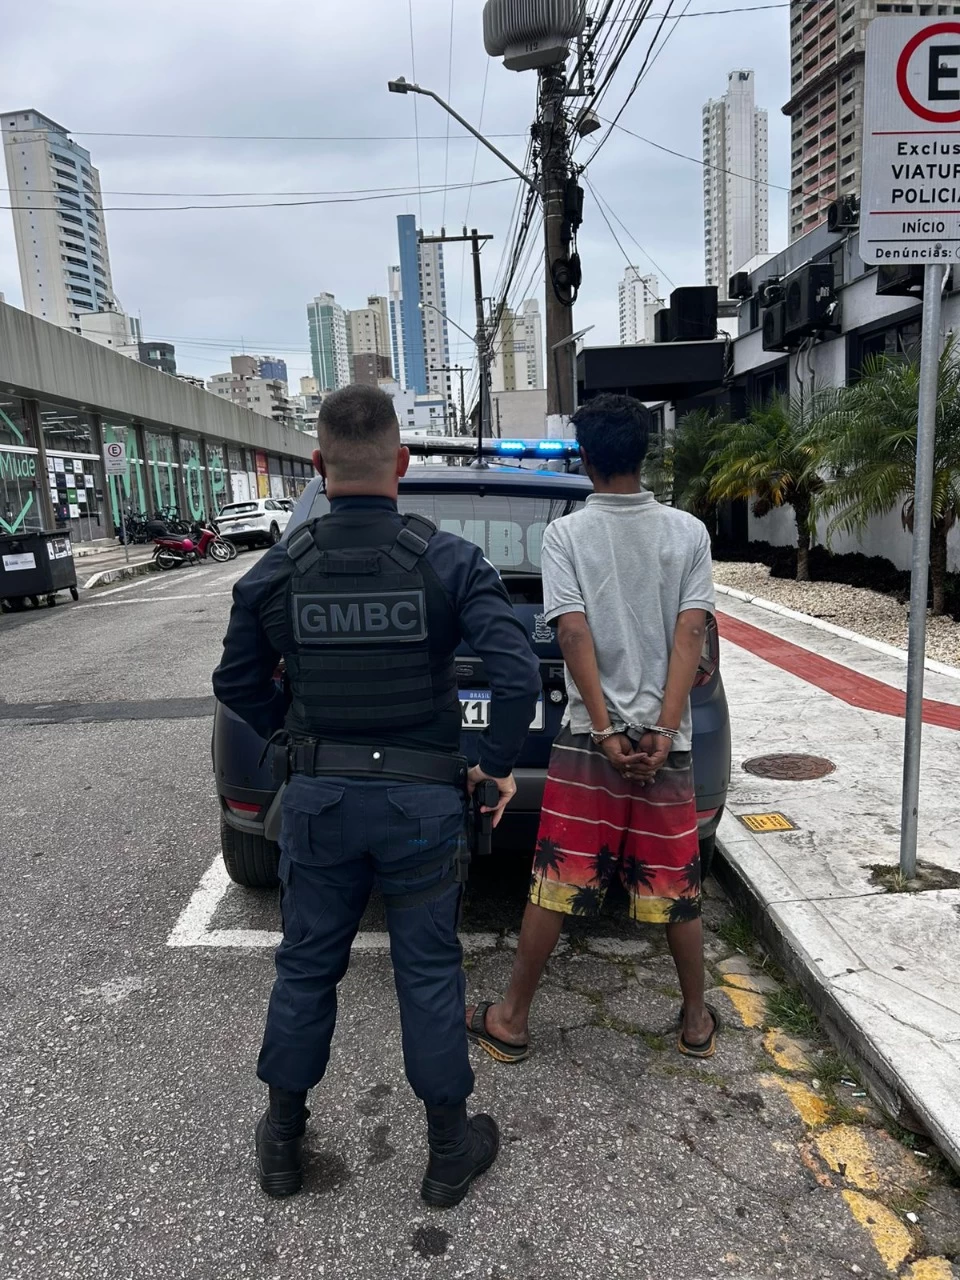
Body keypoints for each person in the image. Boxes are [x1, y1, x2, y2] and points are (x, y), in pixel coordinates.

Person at [212, 384, 541, 1207]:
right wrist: (495, 763)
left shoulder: (280, 567)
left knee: (306, 967)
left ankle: (283, 1143)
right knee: (427, 969)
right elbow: (512, 670)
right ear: (400, 463)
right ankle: (444, 1153)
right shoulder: (448, 559)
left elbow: (234, 683)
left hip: (320, 806)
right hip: (422, 806)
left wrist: (296, 737)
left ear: (319, 467)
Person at [466, 393, 719, 1065]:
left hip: (588, 743)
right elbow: (691, 631)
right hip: (669, 747)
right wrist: (662, 732)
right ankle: (696, 1021)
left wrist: (607, 733)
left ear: (585, 457)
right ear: (645, 453)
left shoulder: (567, 535)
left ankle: (513, 1019)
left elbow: (572, 632)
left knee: (558, 877)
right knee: (677, 883)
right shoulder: (688, 533)